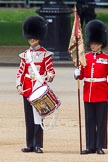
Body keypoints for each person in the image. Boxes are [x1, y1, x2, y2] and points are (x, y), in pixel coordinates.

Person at [16, 16, 55, 153]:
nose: (32, 39)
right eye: (30, 37)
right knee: (29, 118)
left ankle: (38, 144)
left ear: (39, 36)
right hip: (27, 89)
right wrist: (19, 86)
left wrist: (50, 76)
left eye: (34, 37)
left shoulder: (45, 54)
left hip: (38, 89)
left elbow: (50, 70)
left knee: (38, 117)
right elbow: (20, 72)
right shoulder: (25, 55)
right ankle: (30, 144)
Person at [74, 19, 108, 154]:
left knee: (101, 121)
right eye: (92, 43)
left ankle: (100, 146)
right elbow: (81, 75)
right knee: (89, 121)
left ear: (101, 44)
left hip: (102, 92)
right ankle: (90, 146)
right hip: (88, 92)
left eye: (96, 43)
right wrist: (77, 73)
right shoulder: (85, 57)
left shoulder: (106, 58)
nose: (93, 46)